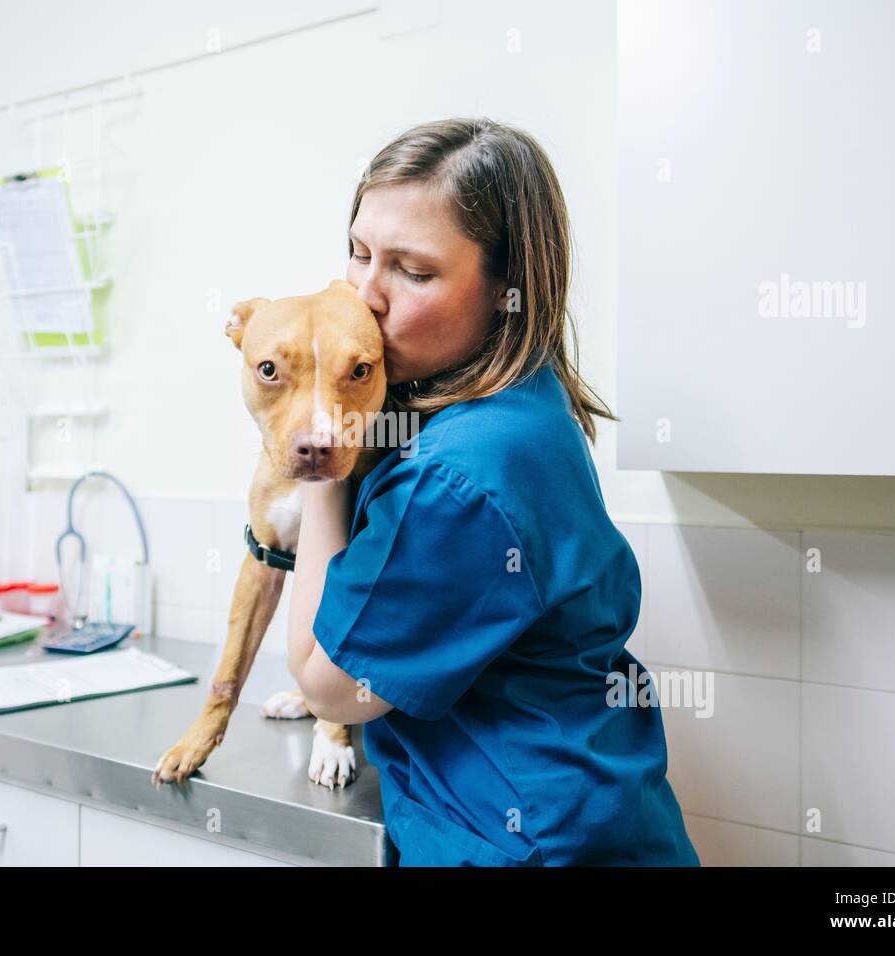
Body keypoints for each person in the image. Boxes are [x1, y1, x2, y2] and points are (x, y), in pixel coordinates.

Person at [285, 117, 700, 867]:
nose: (365, 295)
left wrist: (320, 460)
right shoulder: (518, 404)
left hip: (521, 841)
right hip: (594, 812)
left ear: (506, 292)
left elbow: (329, 686)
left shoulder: (457, 479)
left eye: (412, 271)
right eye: (358, 252)